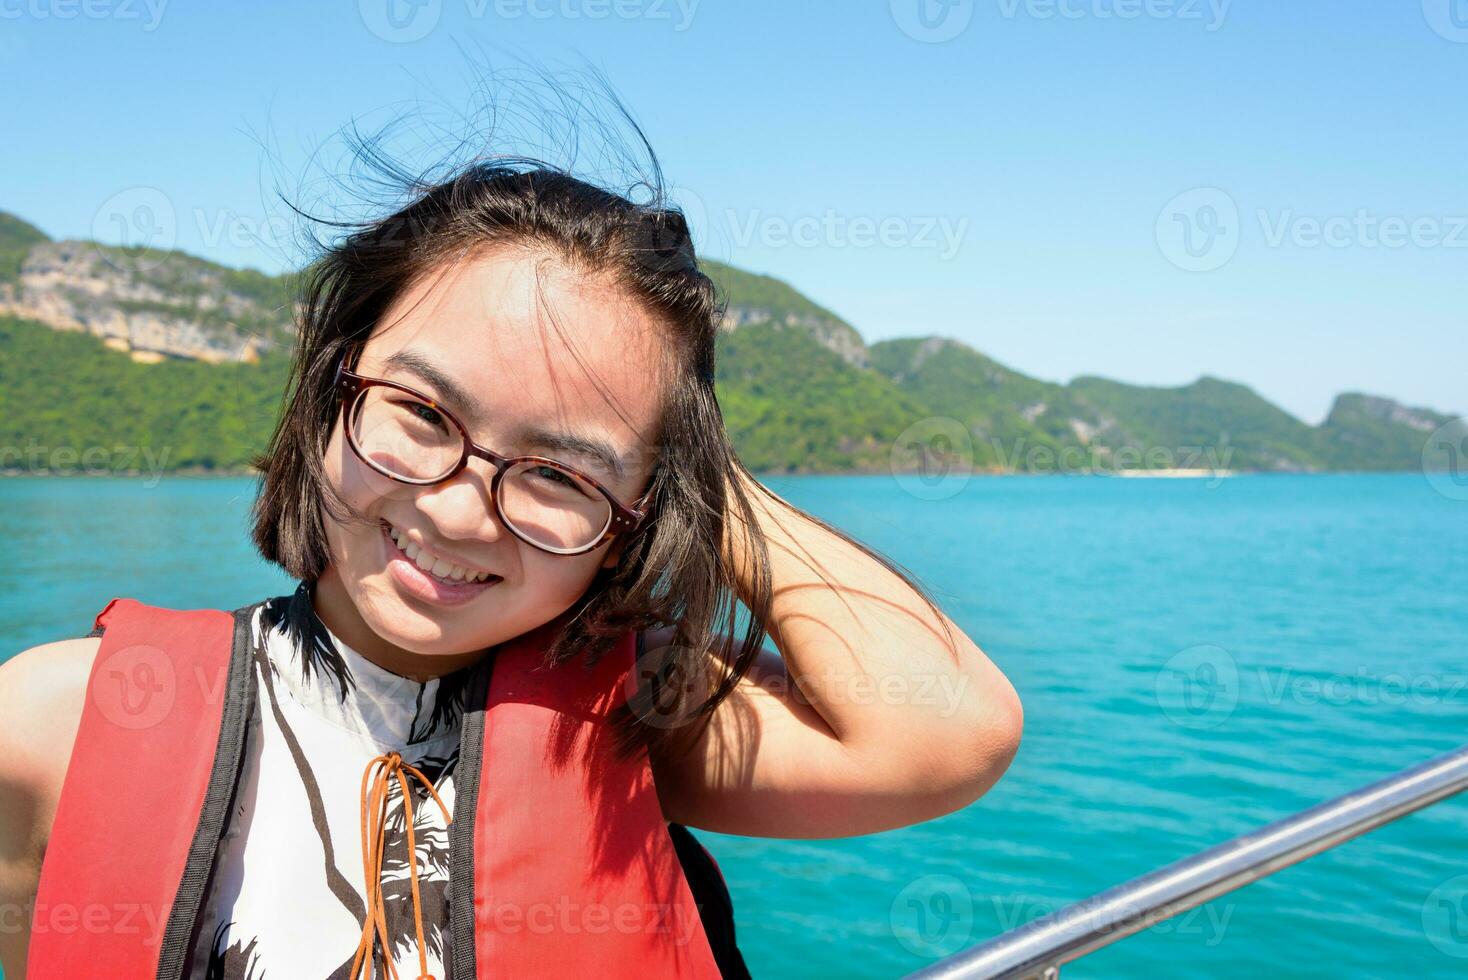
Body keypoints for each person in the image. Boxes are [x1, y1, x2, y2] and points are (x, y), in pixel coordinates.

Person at [0, 160, 1023, 979]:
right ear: (329, 391)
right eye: (419, 412)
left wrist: (693, 465)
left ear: (639, 512)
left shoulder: (633, 716)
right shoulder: (58, 719)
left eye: (558, 472)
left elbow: (946, 729)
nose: (455, 509)